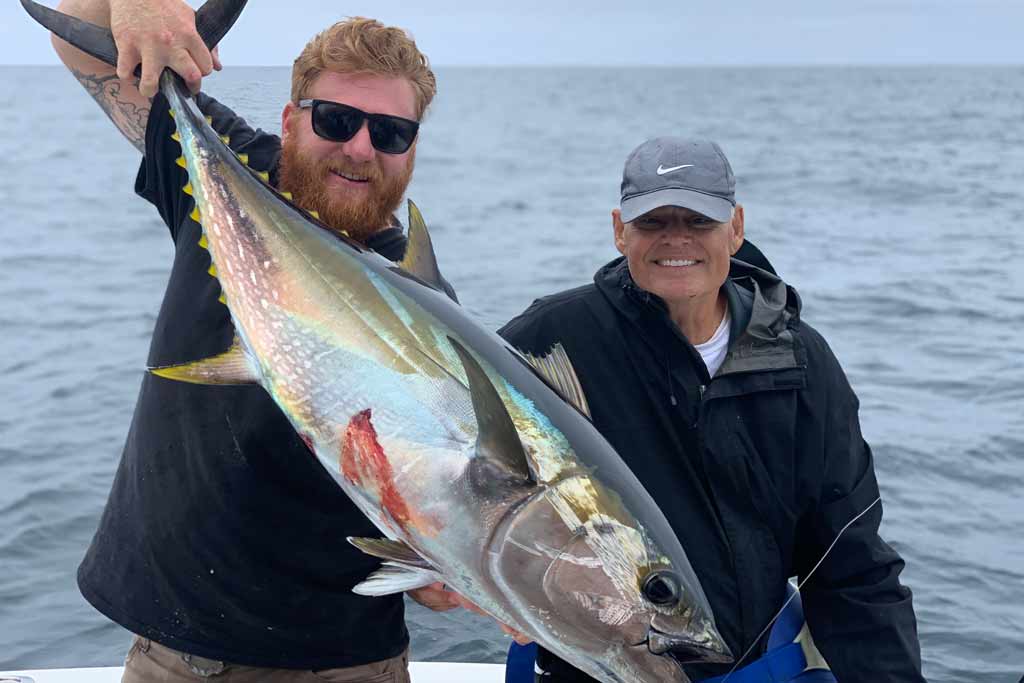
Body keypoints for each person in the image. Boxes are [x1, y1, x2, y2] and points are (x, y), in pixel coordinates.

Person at [50, 0, 459, 680]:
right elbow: (78, 34)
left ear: (412, 149)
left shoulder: (425, 305)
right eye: (335, 120)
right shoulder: (230, 166)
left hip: (352, 663)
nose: (361, 147)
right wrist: (137, 5)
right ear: (290, 120)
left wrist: (435, 566)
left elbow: (414, 493)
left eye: (390, 132)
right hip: (180, 656)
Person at [498, 137, 926, 682]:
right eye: (653, 221)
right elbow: (457, 464)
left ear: (736, 226)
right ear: (618, 229)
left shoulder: (800, 361)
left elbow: (852, 562)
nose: (676, 238)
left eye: (698, 220)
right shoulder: (547, 340)